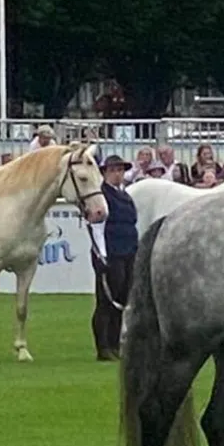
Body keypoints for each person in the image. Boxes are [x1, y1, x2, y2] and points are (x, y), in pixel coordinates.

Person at [90, 155, 139, 361]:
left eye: (120, 170)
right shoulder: (102, 195)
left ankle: (115, 343)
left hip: (128, 252)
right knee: (106, 301)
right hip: (110, 253)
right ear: (105, 173)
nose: (117, 174)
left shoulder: (125, 195)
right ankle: (103, 347)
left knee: (121, 300)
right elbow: (96, 227)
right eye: (113, 170)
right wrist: (102, 255)